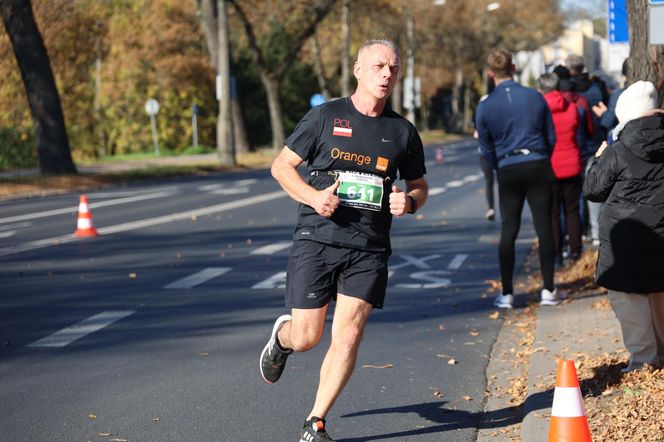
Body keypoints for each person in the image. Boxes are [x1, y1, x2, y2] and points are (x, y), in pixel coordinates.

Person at [260, 39, 428, 441]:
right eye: (378, 66)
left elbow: (419, 185)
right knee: (308, 336)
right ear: (358, 69)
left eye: (393, 68)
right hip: (317, 239)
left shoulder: (402, 131)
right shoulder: (325, 117)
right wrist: (314, 197)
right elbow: (281, 167)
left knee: (350, 331)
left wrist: (411, 202)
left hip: (369, 247)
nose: (387, 74)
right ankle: (282, 341)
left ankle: (315, 421)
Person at [583, 80, 664, 373]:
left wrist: (597, 160)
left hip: (625, 237)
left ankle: (643, 359)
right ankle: (661, 353)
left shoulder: (618, 150)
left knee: (629, 298)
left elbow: (593, 190)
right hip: (661, 234)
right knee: (658, 291)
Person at [475, 47, 559, 309]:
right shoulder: (534, 97)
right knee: (544, 227)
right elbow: (551, 134)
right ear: (513, 68)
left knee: (508, 230)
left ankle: (508, 293)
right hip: (537, 162)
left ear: (490, 74)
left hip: (509, 166)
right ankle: (548, 289)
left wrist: (499, 166)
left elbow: (486, 147)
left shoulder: (486, 106)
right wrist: (543, 156)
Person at [538, 73, 583, 264]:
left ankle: (556, 253)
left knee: (553, 213)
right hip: (572, 162)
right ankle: (575, 250)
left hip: (551, 165)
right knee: (572, 211)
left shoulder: (540, 109)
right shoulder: (571, 107)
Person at [566, 54, 607, 246]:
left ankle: (580, 230)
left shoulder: (567, 91)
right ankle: (595, 229)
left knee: (576, 189)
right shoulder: (596, 88)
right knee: (593, 185)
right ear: (583, 67)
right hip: (595, 142)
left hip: (574, 143)